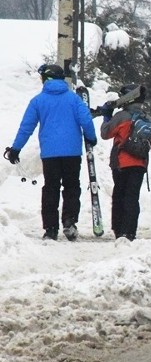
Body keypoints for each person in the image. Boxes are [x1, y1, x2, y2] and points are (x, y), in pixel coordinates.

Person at [4, 64, 98, 241]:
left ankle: (50, 229)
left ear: (46, 79)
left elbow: (26, 128)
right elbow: (86, 120)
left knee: (50, 189)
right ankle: (69, 221)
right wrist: (91, 138)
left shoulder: (38, 101)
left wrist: (16, 149)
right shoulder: (74, 99)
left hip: (50, 155)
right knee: (71, 186)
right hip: (71, 153)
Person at [100, 84, 151, 241]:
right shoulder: (147, 118)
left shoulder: (122, 117)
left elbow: (105, 134)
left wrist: (107, 116)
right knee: (132, 197)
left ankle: (118, 230)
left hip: (121, 163)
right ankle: (130, 232)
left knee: (119, 195)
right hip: (140, 163)